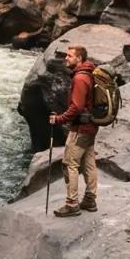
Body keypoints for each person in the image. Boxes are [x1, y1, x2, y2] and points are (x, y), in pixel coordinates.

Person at [49, 45, 98, 217]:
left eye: (70, 56)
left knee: (70, 164)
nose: (66, 59)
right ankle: (90, 199)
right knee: (89, 163)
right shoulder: (89, 74)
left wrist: (59, 119)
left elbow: (76, 107)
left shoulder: (79, 79)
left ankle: (72, 204)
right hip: (90, 127)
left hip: (80, 128)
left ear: (79, 59)